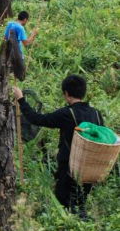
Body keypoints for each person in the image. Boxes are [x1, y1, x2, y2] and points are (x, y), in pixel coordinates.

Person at [13, 75, 103, 217]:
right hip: (89, 170)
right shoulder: (96, 114)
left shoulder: (67, 114)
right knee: (80, 204)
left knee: (65, 205)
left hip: (68, 169)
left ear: (66, 94)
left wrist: (21, 99)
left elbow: (37, 119)